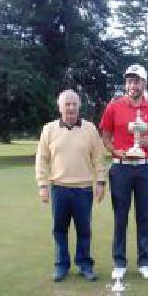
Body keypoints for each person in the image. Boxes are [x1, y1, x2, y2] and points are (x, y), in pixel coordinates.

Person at [35, 89, 107, 282]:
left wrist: (100, 181)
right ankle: (61, 265)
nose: (71, 107)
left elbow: (99, 158)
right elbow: (42, 159)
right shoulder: (48, 129)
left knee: (84, 230)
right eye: (67, 104)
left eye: (74, 104)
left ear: (79, 106)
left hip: (83, 189)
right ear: (59, 107)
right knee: (60, 230)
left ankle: (84, 264)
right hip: (59, 188)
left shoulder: (90, 129)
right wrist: (43, 185)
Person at [99, 64, 148, 280]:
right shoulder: (114, 107)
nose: (132, 85)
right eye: (129, 80)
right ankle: (119, 261)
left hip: (145, 167)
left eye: (137, 81)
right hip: (121, 168)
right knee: (120, 216)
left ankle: (144, 261)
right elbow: (105, 135)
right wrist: (114, 150)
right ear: (126, 83)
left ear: (144, 83)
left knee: (144, 216)